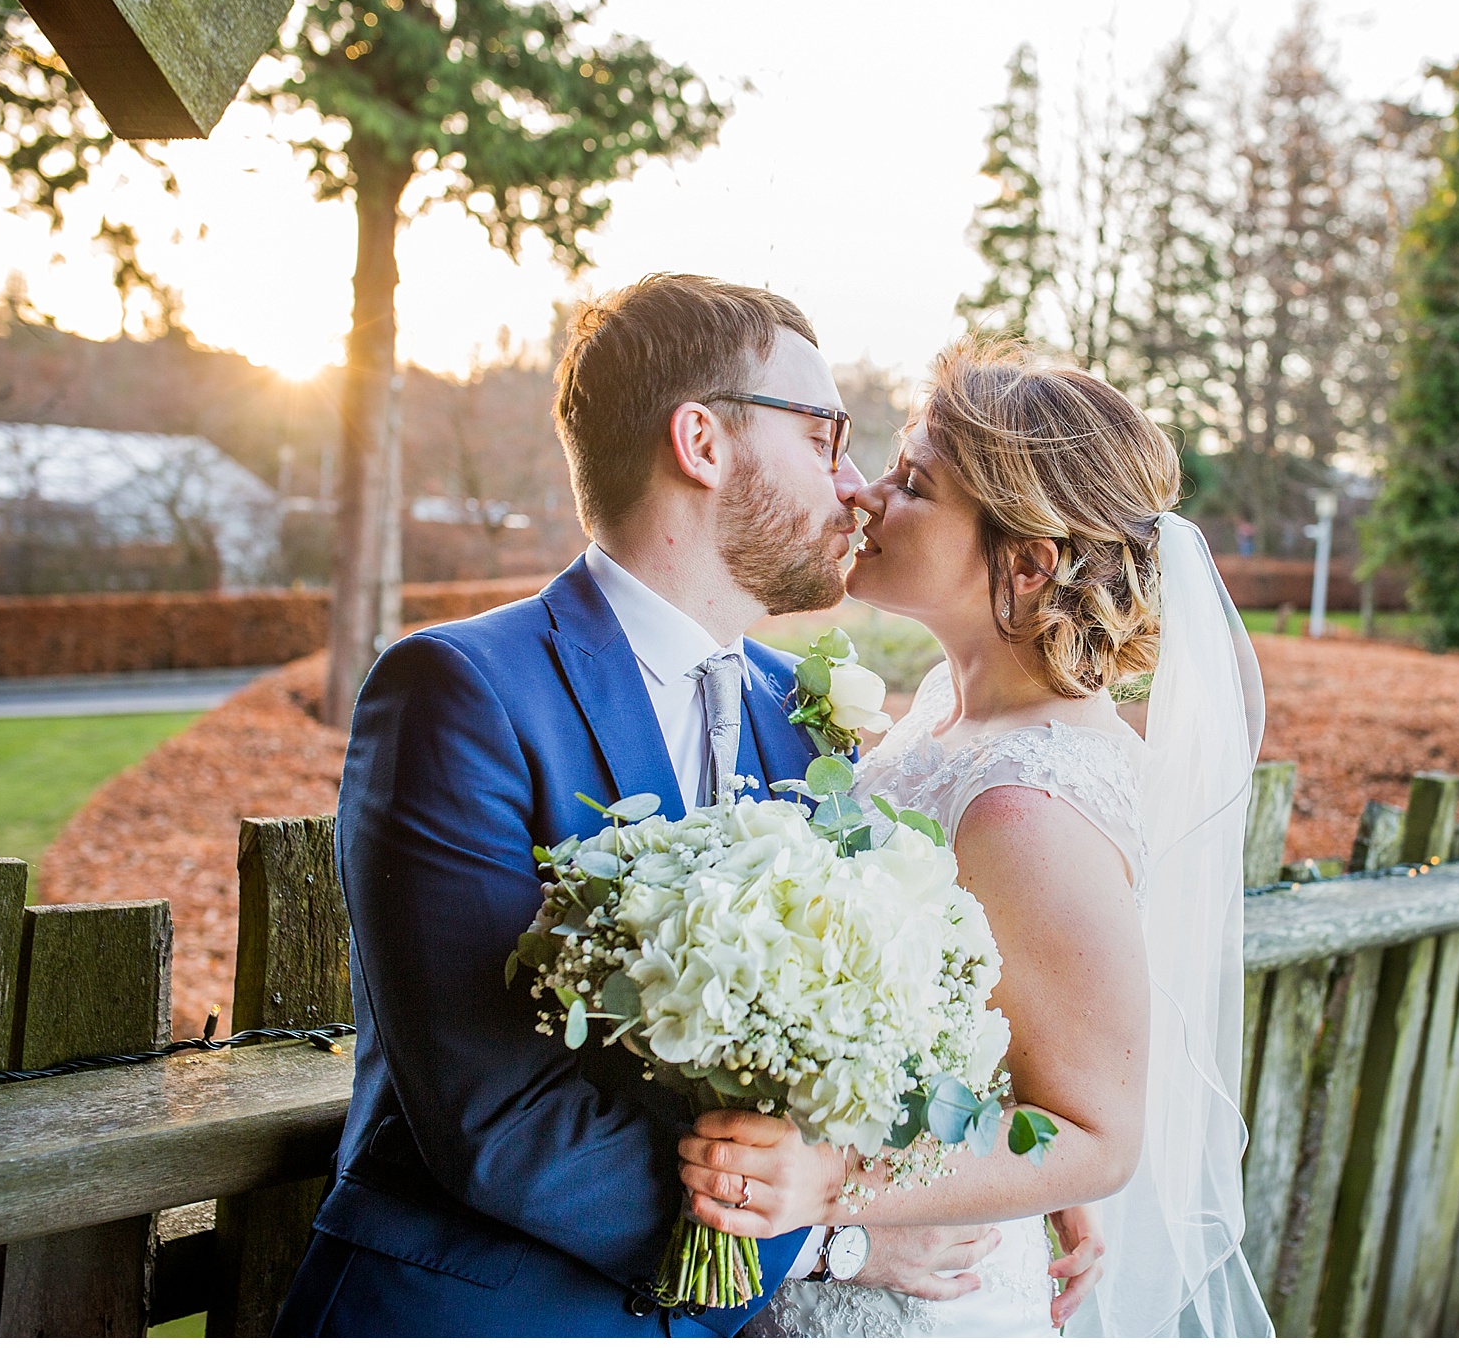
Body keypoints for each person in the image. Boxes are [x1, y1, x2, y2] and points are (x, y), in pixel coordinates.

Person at [274, 277, 1062, 1334]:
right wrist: (832, 1238)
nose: (856, 482)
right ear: (699, 440)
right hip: (484, 1309)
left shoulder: (809, 721)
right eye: (826, 435)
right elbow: (497, 1117)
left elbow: (868, 1040)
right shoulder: (460, 693)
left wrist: (1003, 1196)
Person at [678, 335, 1276, 1337]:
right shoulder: (943, 719)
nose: (863, 494)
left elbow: (1095, 1133)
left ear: (1028, 562)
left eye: (912, 483)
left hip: (918, 1297)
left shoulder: (1025, 801)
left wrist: (830, 1187)